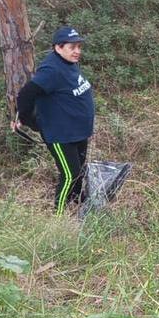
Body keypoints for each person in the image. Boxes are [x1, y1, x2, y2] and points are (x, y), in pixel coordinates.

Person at [13, 26, 96, 216]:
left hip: (77, 131)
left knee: (79, 170)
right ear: (58, 48)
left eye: (79, 47)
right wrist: (26, 120)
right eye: (72, 47)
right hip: (61, 135)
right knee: (69, 175)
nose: (77, 51)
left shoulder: (68, 62)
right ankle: (58, 217)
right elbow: (26, 94)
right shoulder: (51, 70)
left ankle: (76, 202)